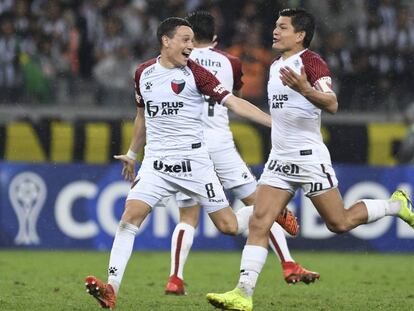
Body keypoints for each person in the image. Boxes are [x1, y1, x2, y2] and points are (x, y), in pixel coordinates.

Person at [206, 8, 414, 311]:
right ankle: (243, 293)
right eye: (276, 26)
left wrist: (305, 88)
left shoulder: (311, 62)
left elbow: (332, 103)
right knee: (260, 221)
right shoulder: (276, 64)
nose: (275, 31)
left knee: (339, 222)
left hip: (308, 157)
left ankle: (396, 205)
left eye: (282, 27)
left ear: (300, 35)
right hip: (279, 158)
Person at [84, 17, 281, 309]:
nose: (191, 45)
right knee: (129, 216)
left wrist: (274, 123)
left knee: (228, 226)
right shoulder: (143, 73)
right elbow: (142, 116)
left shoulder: (197, 74)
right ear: (166, 41)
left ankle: (266, 211)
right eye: (185, 39)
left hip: (195, 162)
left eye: (192, 40)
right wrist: (133, 153)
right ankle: (111, 288)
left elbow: (235, 103)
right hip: (157, 162)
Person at [163, 11, 319, 297]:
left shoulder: (176, 62)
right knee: (262, 206)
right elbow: (231, 96)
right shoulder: (230, 62)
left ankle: (175, 278)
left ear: (187, 35)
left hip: (188, 145)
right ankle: (287, 263)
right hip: (220, 143)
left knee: (187, 216)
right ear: (215, 37)